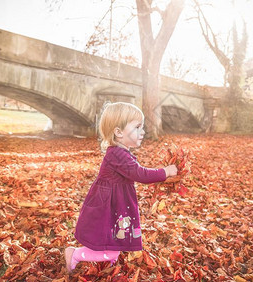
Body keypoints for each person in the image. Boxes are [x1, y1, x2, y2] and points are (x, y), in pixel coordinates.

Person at [64, 102, 178, 272]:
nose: (143, 131)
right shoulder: (117, 154)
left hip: (114, 204)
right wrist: (165, 172)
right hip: (107, 206)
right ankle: (75, 254)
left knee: (113, 239)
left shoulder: (120, 152)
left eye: (142, 127)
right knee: (111, 249)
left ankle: (106, 260)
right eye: (137, 127)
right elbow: (141, 174)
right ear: (118, 132)